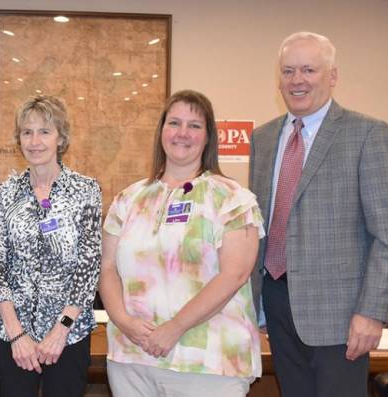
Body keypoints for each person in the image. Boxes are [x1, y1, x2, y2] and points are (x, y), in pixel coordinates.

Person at [249, 32, 388, 397]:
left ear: (332, 76)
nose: (297, 80)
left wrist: (371, 312)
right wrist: (253, 303)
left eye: (309, 70)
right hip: (275, 304)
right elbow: (258, 226)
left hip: (341, 315)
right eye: (288, 71)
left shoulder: (367, 134)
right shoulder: (264, 138)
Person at [99, 90, 265, 397]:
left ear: (208, 136)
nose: (182, 133)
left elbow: (235, 275)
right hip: (132, 358)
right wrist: (123, 321)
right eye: (174, 123)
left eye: (194, 125)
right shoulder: (128, 199)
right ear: (161, 130)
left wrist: (173, 328)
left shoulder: (232, 199)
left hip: (207, 362)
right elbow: (107, 268)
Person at [0, 95, 102, 397]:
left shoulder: (86, 190)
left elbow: (88, 268)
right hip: (15, 338)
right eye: (27, 132)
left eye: (45, 131)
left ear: (60, 137)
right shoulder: (4, 194)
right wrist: (16, 334)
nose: (35, 141)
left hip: (69, 337)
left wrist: (61, 329)